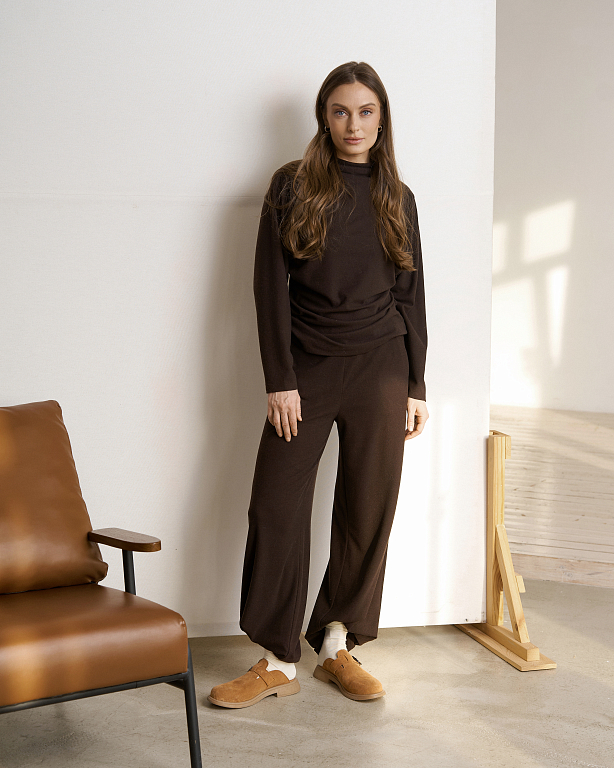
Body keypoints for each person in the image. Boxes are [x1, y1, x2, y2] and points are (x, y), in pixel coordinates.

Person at [208, 61, 428, 709]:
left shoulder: (397, 197)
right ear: (323, 118)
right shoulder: (293, 185)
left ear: (381, 119)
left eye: (365, 111)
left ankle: (336, 645)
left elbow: (411, 295)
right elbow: (267, 287)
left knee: (368, 507)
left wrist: (417, 382)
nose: (353, 124)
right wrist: (279, 378)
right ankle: (278, 658)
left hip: (382, 367)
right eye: (340, 111)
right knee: (275, 503)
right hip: (307, 368)